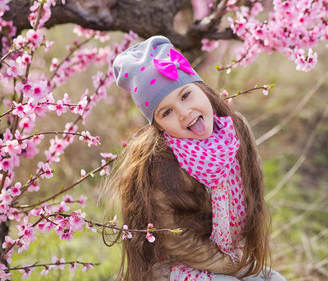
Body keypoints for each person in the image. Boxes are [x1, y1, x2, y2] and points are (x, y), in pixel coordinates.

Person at [105, 35, 286, 281]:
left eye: (186, 95)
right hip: (175, 264)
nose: (183, 113)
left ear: (199, 87)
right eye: (167, 112)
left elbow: (251, 195)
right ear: (158, 126)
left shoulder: (236, 131)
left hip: (227, 254)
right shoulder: (160, 164)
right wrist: (234, 268)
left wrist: (241, 262)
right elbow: (177, 240)